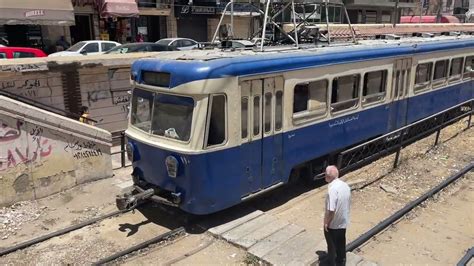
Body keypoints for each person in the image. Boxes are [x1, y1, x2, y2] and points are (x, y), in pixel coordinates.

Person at [323, 165, 351, 266]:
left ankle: (332, 263)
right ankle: (341, 262)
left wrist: (326, 223)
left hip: (333, 225)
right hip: (343, 222)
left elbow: (331, 210)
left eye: (325, 174)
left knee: (331, 246)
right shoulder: (345, 186)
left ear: (328, 176)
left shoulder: (332, 190)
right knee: (341, 246)